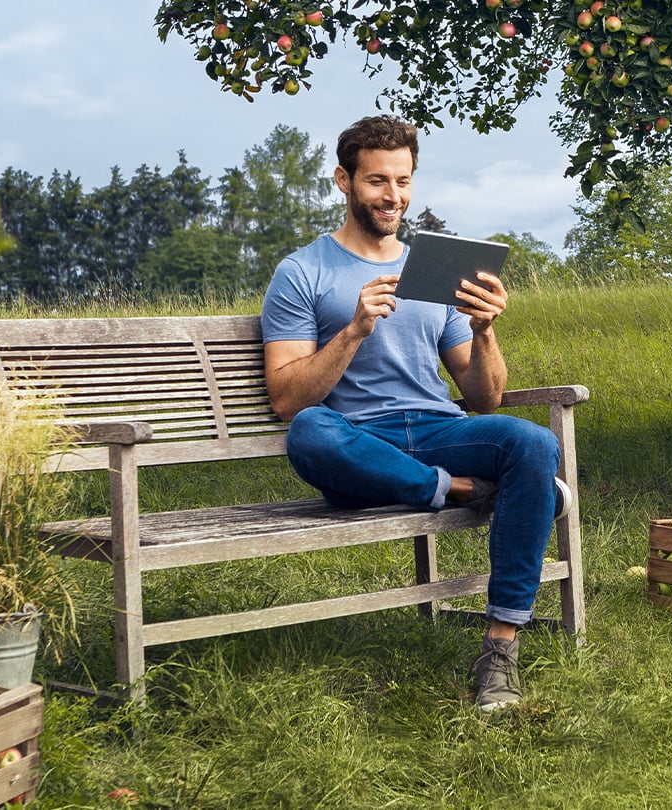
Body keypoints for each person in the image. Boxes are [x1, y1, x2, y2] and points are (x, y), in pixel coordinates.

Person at [259, 114, 571, 712]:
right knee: (308, 433)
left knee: (530, 443)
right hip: (358, 444)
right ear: (343, 182)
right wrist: (353, 330)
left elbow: (483, 399)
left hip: (435, 428)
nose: (393, 196)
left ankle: (499, 650)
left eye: (403, 181)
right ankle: (461, 490)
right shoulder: (303, 272)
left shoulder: (432, 271)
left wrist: (484, 332)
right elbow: (287, 399)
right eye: (377, 181)